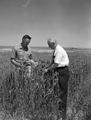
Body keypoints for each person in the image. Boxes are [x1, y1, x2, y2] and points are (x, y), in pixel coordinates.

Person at [44, 38, 69, 119]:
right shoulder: (56, 50)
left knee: (62, 93)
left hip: (62, 71)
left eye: (49, 44)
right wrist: (47, 66)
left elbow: (56, 64)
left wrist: (47, 69)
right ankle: (59, 112)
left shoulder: (59, 50)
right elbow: (53, 62)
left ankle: (62, 116)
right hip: (60, 71)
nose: (48, 46)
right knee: (58, 91)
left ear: (53, 43)